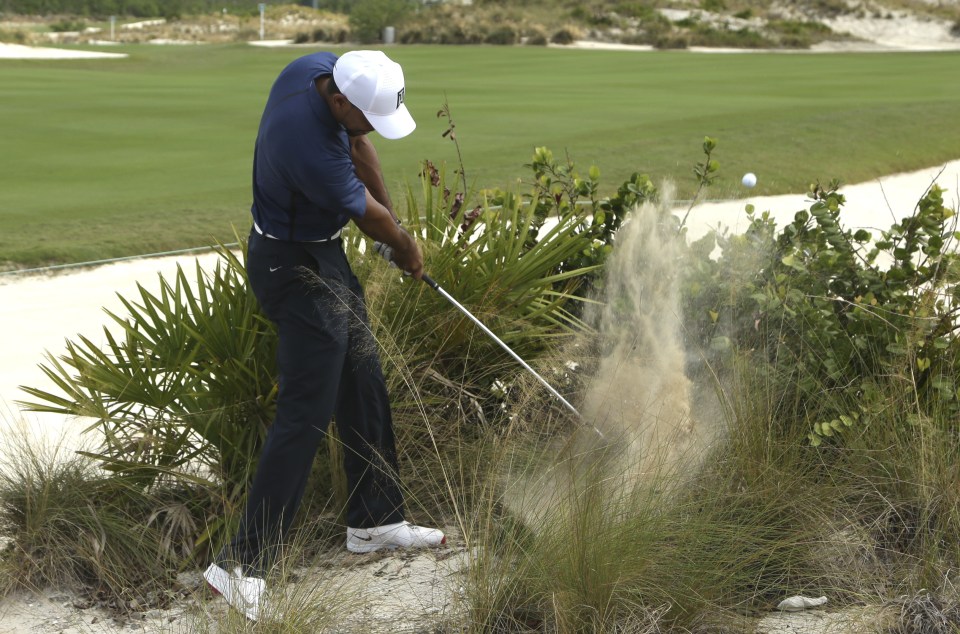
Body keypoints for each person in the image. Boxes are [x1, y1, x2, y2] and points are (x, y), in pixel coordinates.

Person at [203, 50, 445, 622]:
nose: (368, 127)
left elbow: (361, 147)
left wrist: (391, 221)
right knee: (306, 410)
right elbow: (365, 213)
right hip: (287, 267)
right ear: (339, 100)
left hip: (321, 254)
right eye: (365, 116)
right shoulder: (304, 142)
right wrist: (404, 246)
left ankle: (375, 521)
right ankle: (239, 566)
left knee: (363, 374)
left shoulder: (322, 69)